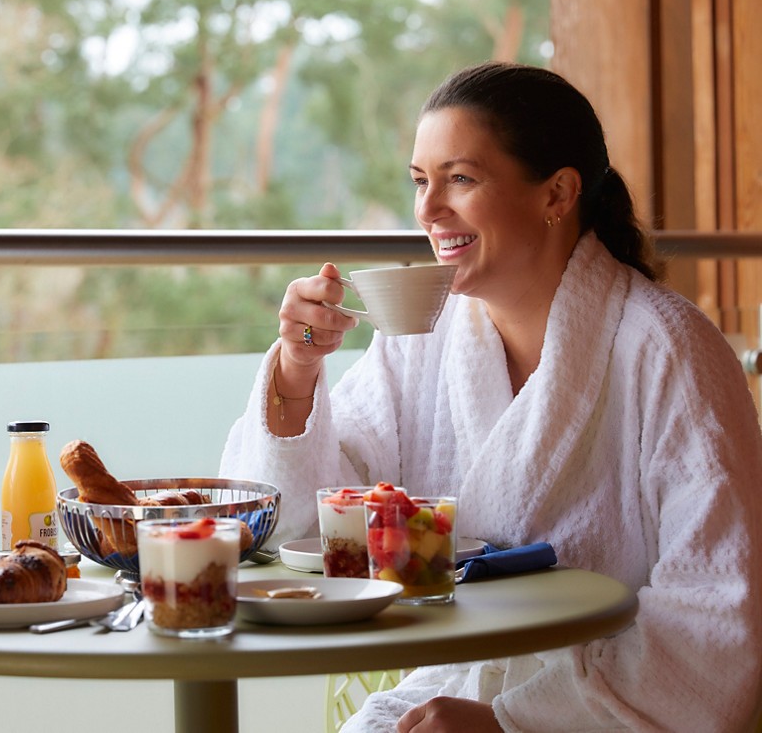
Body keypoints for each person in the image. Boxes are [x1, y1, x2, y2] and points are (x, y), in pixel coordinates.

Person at [221, 62, 762, 732]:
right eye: (420, 182)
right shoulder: (422, 337)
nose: (428, 209)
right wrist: (298, 371)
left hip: (589, 713)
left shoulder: (670, 351)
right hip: (448, 689)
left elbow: (717, 611)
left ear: (557, 193)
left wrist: (508, 724)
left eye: (461, 179)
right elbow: (303, 530)